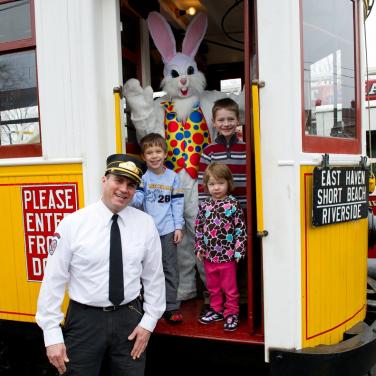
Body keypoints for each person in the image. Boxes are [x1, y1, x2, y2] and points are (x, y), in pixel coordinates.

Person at [35, 154, 166, 376]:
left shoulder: (145, 224)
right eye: (119, 180)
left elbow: (154, 277)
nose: (124, 189)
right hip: (85, 320)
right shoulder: (73, 224)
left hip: (130, 317)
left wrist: (148, 323)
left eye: (131, 185)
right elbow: (54, 280)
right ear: (104, 180)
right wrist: (52, 334)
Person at [132, 133, 184, 324]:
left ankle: (171, 307)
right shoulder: (142, 179)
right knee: (148, 269)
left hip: (168, 230)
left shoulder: (173, 177)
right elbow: (137, 201)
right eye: (149, 152)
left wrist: (178, 226)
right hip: (147, 231)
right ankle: (149, 306)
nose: (154, 156)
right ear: (143, 157)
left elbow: (177, 203)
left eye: (158, 151)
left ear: (165, 154)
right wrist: (129, 196)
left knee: (170, 268)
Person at [195, 162, 247, 331]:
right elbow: (199, 228)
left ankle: (232, 312)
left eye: (220, 183)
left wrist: (239, 249)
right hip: (209, 257)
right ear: (206, 186)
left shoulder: (233, 205)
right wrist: (200, 247)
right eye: (212, 184)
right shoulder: (204, 206)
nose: (216, 188)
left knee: (230, 288)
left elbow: (240, 228)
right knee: (213, 287)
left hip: (228, 256)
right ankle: (216, 309)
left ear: (228, 183)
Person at [198, 97, 246, 207]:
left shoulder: (246, 149)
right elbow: (202, 183)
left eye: (230, 119)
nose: (226, 124)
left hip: (244, 208)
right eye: (221, 120)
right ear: (214, 122)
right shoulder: (209, 151)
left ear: (238, 120)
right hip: (217, 212)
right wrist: (204, 208)